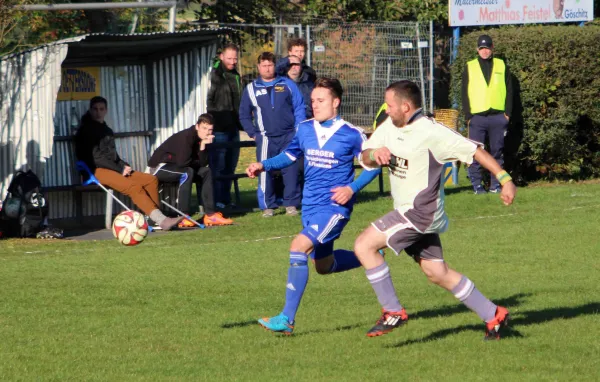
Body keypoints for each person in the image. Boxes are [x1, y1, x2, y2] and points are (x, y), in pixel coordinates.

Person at [354, 80, 517, 340]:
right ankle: (493, 315)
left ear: (406, 106)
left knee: (364, 246)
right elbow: (363, 157)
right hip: (413, 213)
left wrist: (505, 179)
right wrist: (375, 154)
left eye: (390, 105)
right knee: (436, 272)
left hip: (418, 214)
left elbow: (474, 150)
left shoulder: (432, 132)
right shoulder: (390, 125)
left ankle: (393, 311)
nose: (386, 109)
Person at [246, 77, 381, 335]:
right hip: (309, 207)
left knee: (298, 247)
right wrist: (263, 164)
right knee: (324, 266)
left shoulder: (352, 134)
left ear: (336, 102)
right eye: (312, 101)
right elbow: (289, 155)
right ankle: (370, 256)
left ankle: (286, 319)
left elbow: (374, 165)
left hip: (333, 210)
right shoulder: (305, 129)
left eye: (320, 101)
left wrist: (351, 189)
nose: (314, 105)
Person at [74, 96, 181, 231]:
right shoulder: (86, 130)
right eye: (95, 109)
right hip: (95, 170)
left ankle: (152, 219)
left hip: (112, 168)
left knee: (150, 179)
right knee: (134, 187)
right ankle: (162, 220)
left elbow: (113, 156)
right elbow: (97, 158)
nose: (98, 112)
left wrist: (124, 165)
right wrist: (119, 169)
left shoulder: (106, 130)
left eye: (101, 109)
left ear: (106, 110)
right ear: (90, 110)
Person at [239, 52, 306, 217]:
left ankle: (291, 204)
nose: (267, 68)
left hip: (289, 136)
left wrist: (298, 129)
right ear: (258, 67)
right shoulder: (251, 89)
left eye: (270, 65)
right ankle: (267, 206)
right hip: (266, 138)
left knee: (290, 170)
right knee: (264, 170)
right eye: (264, 65)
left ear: (275, 66)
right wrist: (253, 133)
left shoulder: (288, 84)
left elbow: (299, 107)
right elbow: (244, 114)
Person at [147, 113, 233, 228]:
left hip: (178, 167)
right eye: (204, 128)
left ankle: (210, 214)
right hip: (159, 167)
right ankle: (183, 216)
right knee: (187, 172)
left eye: (210, 129)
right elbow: (183, 163)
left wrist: (203, 147)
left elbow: (202, 164)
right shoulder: (187, 137)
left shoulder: (202, 139)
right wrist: (197, 159)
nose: (207, 132)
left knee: (206, 172)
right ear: (197, 126)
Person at [461, 35, 513, 194]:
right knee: (475, 152)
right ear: (477, 50)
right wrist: (468, 116)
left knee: (497, 152)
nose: (484, 51)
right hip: (477, 117)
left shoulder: (501, 65)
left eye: (487, 48)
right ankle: (477, 185)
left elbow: (510, 90)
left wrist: (507, 114)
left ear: (492, 48)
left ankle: (495, 185)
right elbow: (464, 92)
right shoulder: (469, 66)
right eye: (482, 48)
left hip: (497, 116)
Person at [207, 43, 243, 209]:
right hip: (219, 127)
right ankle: (217, 200)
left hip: (233, 126)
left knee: (231, 165)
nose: (233, 61)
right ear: (221, 57)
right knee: (219, 165)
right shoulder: (214, 73)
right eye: (229, 58)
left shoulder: (235, 75)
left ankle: (226, 199)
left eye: (235, 58)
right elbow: (209, 98)